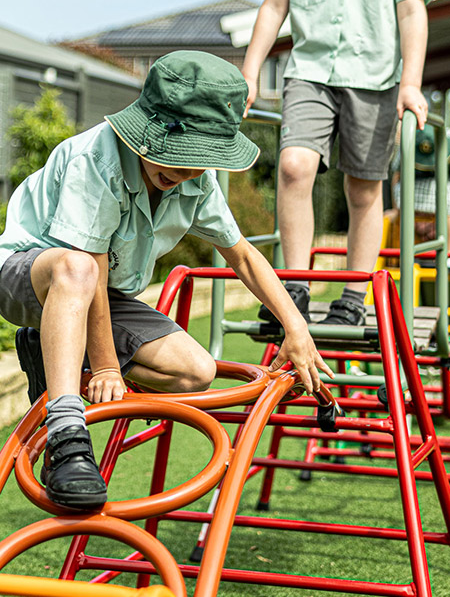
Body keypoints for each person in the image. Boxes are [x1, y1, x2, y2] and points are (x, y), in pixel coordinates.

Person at [0, 50, 333, 510]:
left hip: (99, 293)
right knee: (78, 269)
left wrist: (297, 329)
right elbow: (88, 263)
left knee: (195, 372)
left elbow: (242, 255)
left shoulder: (195, 180)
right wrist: (106, 367)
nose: (184, 174)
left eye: (198, 162)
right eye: (177, 159)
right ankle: (66, 435)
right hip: (28, 275)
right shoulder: (97, 159)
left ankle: (49, 350)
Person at [241, 0, 441, 327]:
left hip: (375, 79)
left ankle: (353, 296)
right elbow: (274, 5)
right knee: (294, 167)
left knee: (363, 188)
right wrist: (249, 73)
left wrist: (411, 84)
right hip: (309, 72)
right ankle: (294, 288)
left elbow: (412, 14)